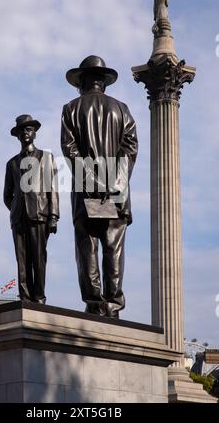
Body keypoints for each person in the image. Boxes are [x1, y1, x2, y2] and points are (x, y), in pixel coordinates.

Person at [61, 56, 138, 318]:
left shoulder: (71, 108)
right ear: (103, 82)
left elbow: (69, 149)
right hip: (116, 191)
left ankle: (94, 305)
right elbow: (130, 148)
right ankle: (113, 306)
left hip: (86, 190)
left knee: (88, 247)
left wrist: (92, 180)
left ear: (82, 81)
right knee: (112, 247)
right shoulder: (122, 109)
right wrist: (114, 181)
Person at [4, 114, 59, 304]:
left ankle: (39, 297)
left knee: (38, 258)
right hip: (18, 218)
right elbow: (7, 195)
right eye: (22, 130)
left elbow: (52, 188)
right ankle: (25, 297)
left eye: (29, 129)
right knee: (22, 261)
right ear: (18, 136)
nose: (25, 133)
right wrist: (16, 209)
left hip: (40, 215)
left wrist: (53, 216)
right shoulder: (11, 163)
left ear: (35, 133)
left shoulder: (46, 157)